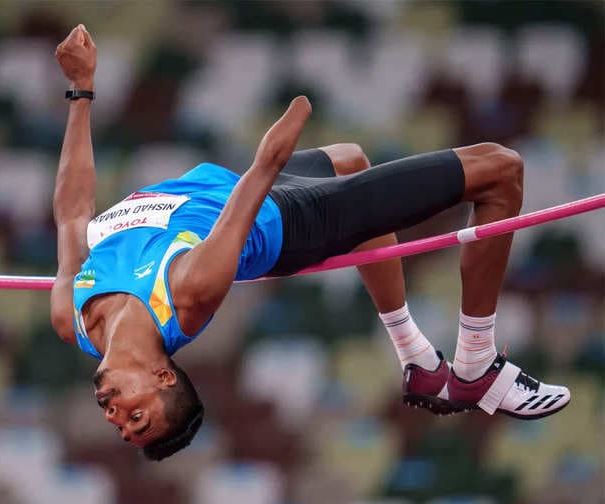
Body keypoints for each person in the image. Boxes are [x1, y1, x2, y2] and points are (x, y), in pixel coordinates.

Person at [50, 25, 570, 461]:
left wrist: (81, 89)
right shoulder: (186, 294)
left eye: (124, 424)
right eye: (134, 418)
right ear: (163, 375)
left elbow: (73, 213)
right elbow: (254, 189)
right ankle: (477, 364)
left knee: (348, 158)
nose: (116, 416)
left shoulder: (71, 318)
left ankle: (417, 360)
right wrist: (287, 125)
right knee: (501, 169)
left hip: (223, 189)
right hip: (283, 218)